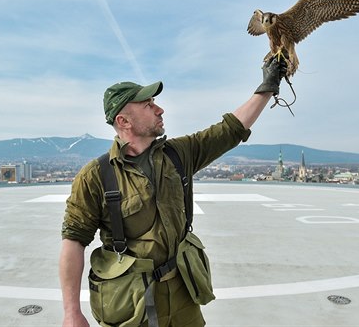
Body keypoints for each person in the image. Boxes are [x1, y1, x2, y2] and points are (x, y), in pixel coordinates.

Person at [59, 57, 287, 327]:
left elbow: (229, 131)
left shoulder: (178, 154)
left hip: (182, 296)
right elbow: (73, 242)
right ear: (124, 121)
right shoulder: (96, 176)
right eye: (148, 105)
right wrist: (72, 313)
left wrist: (267, 86)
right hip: (131, 306)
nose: (160, 109)